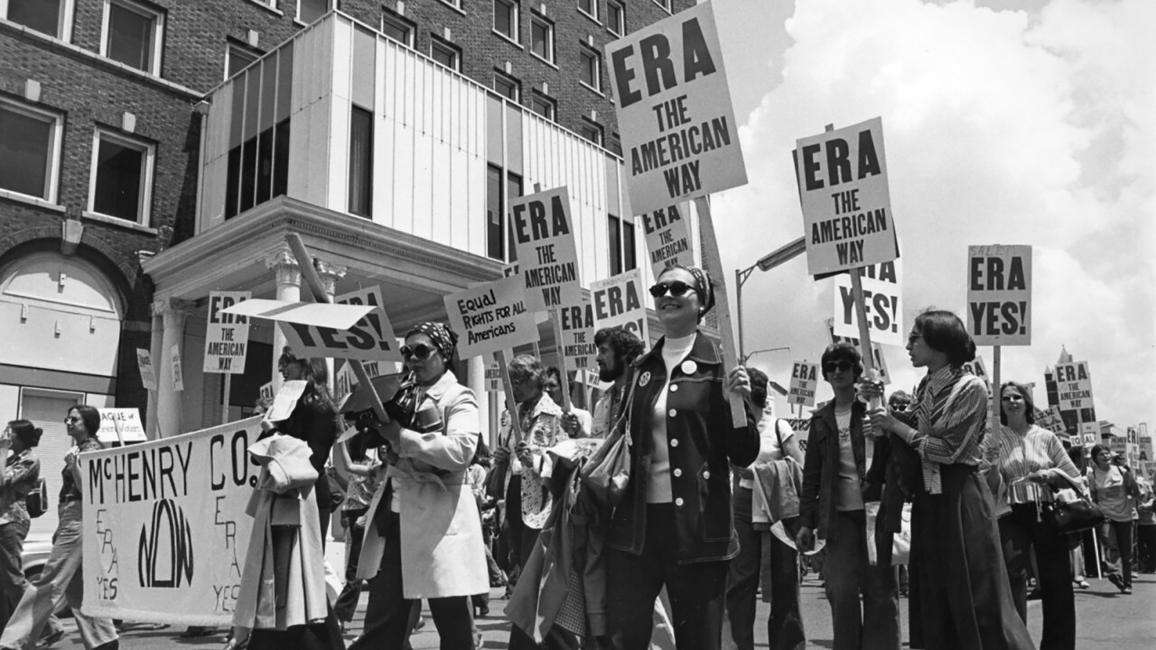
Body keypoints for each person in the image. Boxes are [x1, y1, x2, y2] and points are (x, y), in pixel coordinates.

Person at [604, 265, 759, 650]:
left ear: (701, 302)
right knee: (625, 634)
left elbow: (743, 453)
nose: (666, 295)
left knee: (699, 638)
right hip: (638, 526)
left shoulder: (721, 367)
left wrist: (736, 402)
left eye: (678, 288)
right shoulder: (641, 370)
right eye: (659, 289)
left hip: (698, 526)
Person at [867, 310, 1033, 650]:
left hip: (962, 500)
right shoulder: (924, 386)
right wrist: (879, 405)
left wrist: (896, 426)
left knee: (976, 595)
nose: (909, 345)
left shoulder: (971, 387)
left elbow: (948, 450)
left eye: (915, 337)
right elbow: (910, 435)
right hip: (929, 501)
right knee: (933, 594)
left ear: (939, 343)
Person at [350, 322, 488, 650]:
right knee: (383, 624)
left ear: (444, 354)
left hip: (440, 526)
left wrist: (402, 438)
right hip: (397, 522)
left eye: (422, 351)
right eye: (407, 352)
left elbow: (462, 450)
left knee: (453, 625)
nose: (413, 358)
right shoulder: (402, 394)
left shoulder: (458, 396)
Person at [796, 343, 899, 650]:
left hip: (875, 515)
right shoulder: (820, 419)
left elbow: (895, 455)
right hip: (837, 519)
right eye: (831, 367)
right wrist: (805, 523)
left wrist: (881, 418)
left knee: (880, 591)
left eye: (844, 365)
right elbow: (811, 474)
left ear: (856, 371)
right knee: (840, 590)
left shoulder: (873, 410)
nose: (837, 371)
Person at [0, 406, 118, 650]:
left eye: (75, 419)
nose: (68, 422)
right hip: (71, 517)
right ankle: (104, 639)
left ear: (88, 424)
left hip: (79, 516)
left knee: (49, 581)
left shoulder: (93, 449)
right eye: (68, 418)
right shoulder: (78, 449)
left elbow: (89, 490)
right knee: (77, 587)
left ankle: (13, 642)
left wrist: (74, 466)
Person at [980, 381, 1081, 650]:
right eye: (1006, 398)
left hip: (1045, 511)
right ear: (999, 406)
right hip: (1011, 513)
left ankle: (1058, 645)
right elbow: (988, 488)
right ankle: (1016, 644)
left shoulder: (1047, 437)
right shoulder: (993, 440)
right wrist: (991, 466)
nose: (1012, 401)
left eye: (1017, 397)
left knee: (1056, 580)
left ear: (1027, 402)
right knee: (1012, 575)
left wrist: (1050, 475)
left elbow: (1074, 476)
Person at [725, 368, 806, 650]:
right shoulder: (733, 425)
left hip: (776, 509)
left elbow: (798, 468)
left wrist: (758, 474)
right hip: (742, 507)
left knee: (784, 581)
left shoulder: (778, 427)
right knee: (740, 581)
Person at [493, 355, 569, 650]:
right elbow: (511, 453)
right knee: (525, 574)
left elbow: (565, 461)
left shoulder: (554, 414)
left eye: (521, 380)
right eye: (511, 382)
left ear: (536, 379)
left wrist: (536, 461)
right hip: (516, 497)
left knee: (533, 577)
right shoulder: (511, 413)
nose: (516, 387)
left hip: (542, 504)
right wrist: (504, 457)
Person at [266, 350, 340, 545]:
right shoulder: (287, 406)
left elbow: (312, 462)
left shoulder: (321, 408)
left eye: (287, 361)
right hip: (283, 495)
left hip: (308, 498)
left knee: (304, 571)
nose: (281, 368)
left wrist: (273, 434)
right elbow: (257, 454)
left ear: (307, 365)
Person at [332, 431, 381, 626]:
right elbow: (352, 490)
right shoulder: (360, 467)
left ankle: (339, 615)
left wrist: (341, 441)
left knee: (355, 568)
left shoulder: (370, 465)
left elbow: (372, 493)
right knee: (367, 568)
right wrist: (336, 478)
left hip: (363, 515)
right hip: (353, 514)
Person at [562, 327, 645, 440]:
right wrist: (578, 431)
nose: (597, 358)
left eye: (604, 351)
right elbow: (600, 447)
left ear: (623, 354)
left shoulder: (643, 396)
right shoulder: (601, 404)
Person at [0, 422, 44, 634]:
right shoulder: (8, 458)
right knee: (3, 581)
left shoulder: (30, 459)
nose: (5, 435)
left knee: (13, 579)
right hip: (2, 519)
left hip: (13, 520)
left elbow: (3, 481)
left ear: (20, 437)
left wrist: (1, 449)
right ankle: (6, 630)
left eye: (10, 432)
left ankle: (48, 623)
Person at [1087, 444, 1141, 594]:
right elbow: (1093, 497)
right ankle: (1114, 573)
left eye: (1107, 453)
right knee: (1110, 543)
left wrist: (1134, 498)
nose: (1106, 456)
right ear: (1095, 459)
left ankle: (1127, 583)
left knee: (1127, 552)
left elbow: (1135, 491)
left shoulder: (1121, 471)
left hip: (1125, 515)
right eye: (1101, 454)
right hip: (1106, 515)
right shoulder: (1093, 475)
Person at [544, 367, 593, 439]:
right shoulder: (542, 418)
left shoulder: (582, 416)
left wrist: (578, 431)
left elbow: (590, 444)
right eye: (545, 385)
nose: (546, 389)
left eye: (552, 385)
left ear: (565, 388)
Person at [1136, 477, 1156, 573]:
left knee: (1151, 545)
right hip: (1138, 521)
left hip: (1150, 521)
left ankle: (1152, 566)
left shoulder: (1146, 484)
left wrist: (1147, 505)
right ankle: (1143, 565)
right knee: (1140, 545)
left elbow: (1152, 499)